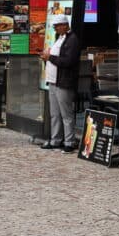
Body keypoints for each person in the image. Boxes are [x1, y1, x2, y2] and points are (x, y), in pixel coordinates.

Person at [39, 13, 81, 152]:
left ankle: (69, 141)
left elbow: (68, 61)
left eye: (57, 26)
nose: (55, 28)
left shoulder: (72, 40)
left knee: (66, 114)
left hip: (64, 81)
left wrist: (49, 57)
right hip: (53, 80)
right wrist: (47, 57)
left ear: (64, 25)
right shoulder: (60, 38)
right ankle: (55, 139)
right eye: (54, 26)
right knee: (55, 113)